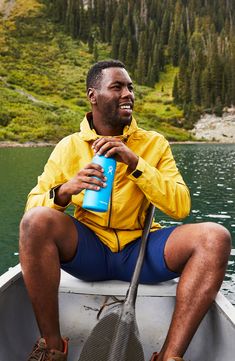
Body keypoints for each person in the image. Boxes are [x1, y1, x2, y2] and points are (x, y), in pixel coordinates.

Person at [19, 60, 231, 361]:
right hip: (88, 250)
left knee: (215, 237)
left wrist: (137, 165)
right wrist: (65, 190)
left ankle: (170, 356)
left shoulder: (154, 144)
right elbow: (31, 212)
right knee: (37, 220)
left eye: (130, 87)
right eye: (117, 87)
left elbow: (180, 205)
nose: (128, 94)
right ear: (93, 95)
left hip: (141, 251)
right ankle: (52, 349)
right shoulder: (69, 147)